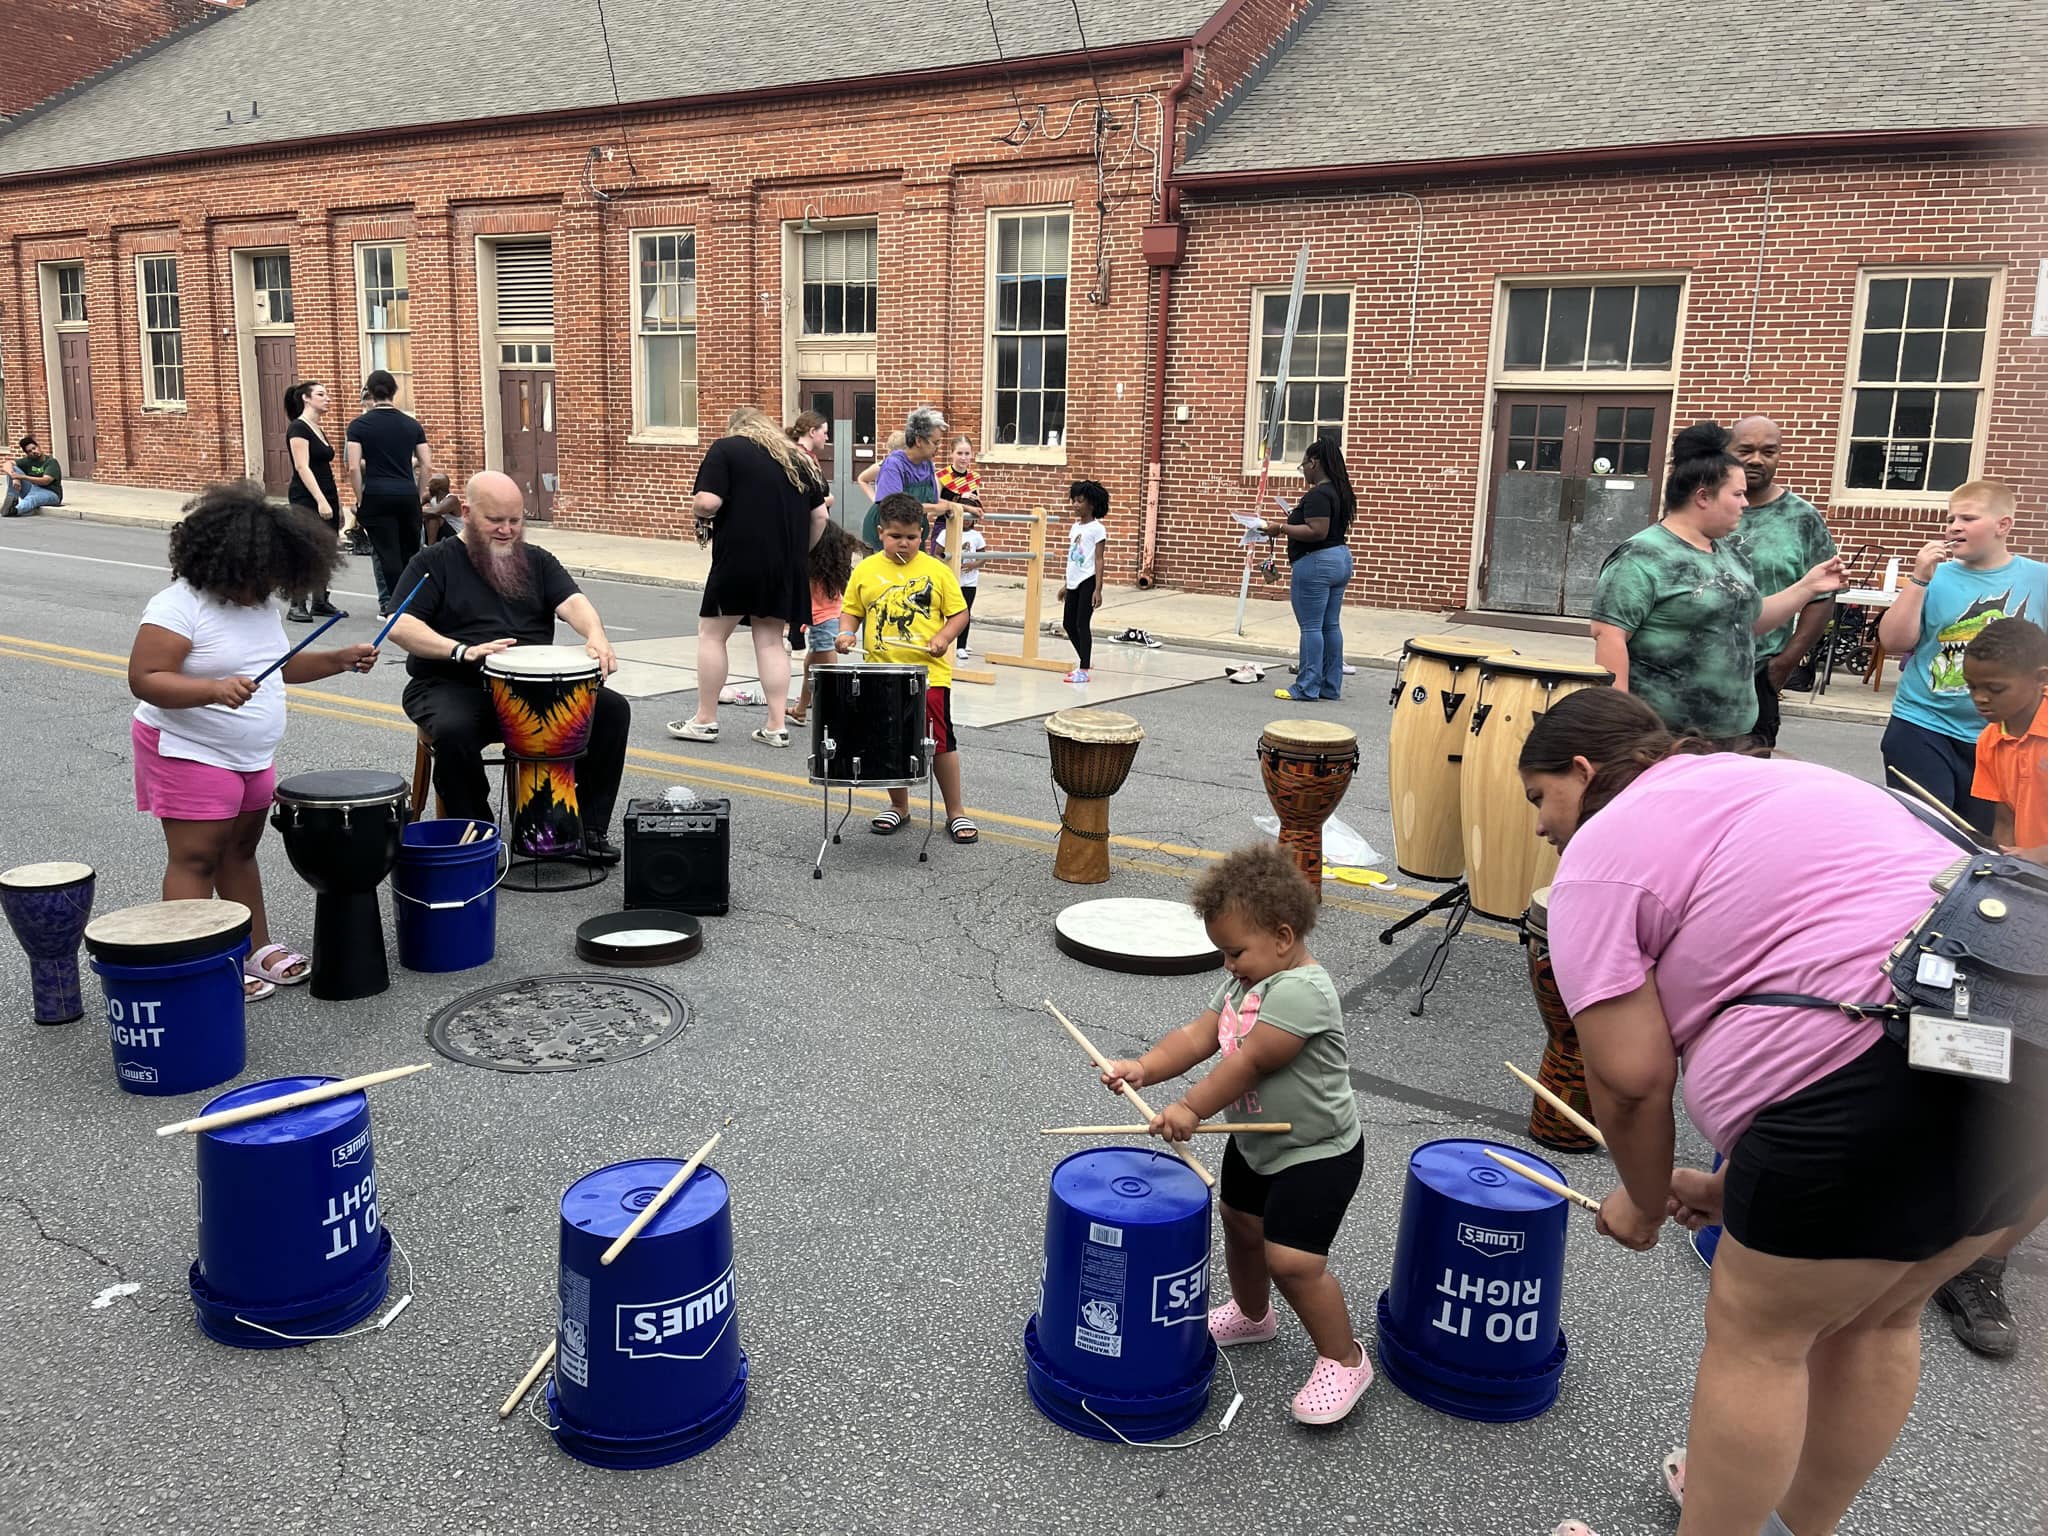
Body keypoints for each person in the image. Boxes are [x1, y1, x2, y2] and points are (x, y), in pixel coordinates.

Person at [1519, 687, 2045, 1536]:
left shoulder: (1603, 850)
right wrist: (1734, 1190)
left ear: (1584, 770)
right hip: (2022, 1053)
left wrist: (1643, 1203)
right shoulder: (1783, 779)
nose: (1543, 825)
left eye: (1540, 797)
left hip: (1869, 1071)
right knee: (1878, 1319)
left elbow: (1628, 1079)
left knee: (1762, 1340)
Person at [1099, 842, 1369, 1425]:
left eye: (1235, 951)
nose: (1228, 963)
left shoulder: (1303, 991)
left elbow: (1248, 1063)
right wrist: (1144, 1067)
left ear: (1282, 934)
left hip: (1315, 1150)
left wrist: (1191, 1109)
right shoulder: (1247, 982)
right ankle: (1253, 1315)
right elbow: (1200, 1035)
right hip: (1257, 1140)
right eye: (1222, 952)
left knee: (1293, 1261)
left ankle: (1344, 1359)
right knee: (1242, 1229)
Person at [125, 481, 379, 1001]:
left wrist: (335, 659)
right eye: (261, 576)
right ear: (228, 563)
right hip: (187, 749)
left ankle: (253, 947)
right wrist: (212, 689)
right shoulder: (178, 607)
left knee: (240, 851)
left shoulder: (259, 607)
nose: (269, 587)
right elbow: (146, 677)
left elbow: (276, 669)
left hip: (250, 754)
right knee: (197, 858)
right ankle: (201, 962)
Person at [388, 471, 628, 861]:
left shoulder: (537, 561)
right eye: (495, 520)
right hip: (452, 683)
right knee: (454, 731)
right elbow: (400, 624)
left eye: (515, 521)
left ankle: (582, 828)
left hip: (531, 690)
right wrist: (460, 650)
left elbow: (573, 603)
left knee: (612, 710)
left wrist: (596, 635)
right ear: (466, 513)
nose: (507, 530)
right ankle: (479, 839)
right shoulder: (433, 562)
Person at [1925, 616, 2048, 1359]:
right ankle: (1939, 1209)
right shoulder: (1992, 738)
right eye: (1972, 687)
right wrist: (1995, 860)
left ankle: (1984, 1263)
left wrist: (2022, 862)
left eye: (1993, 688)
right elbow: (2004, 825)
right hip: (2032, 906)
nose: (1979, 700)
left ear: (2041, 680)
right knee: (1963, 1042)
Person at [1590, 423, 1845, 743]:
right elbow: (1609, 636)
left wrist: (1807, 587)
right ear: (1703, 496)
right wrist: (1622, 729)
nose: (1745, 503)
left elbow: (1748, 620)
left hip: (1737, 735)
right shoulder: (1642, 555)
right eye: (1737, 494)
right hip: (1667, 738)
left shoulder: (1728, 553)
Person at [1876, 479, 2048, 835]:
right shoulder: (1935, 576)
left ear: (2004, 525)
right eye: (1951, 518)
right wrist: (1919, 579)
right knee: (1924, 836)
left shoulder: (2040, 579)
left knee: (1983, 842)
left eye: (1968, 518)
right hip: (1923, 724)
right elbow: (1892, 640)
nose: (1954, 526)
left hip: (2005, 738)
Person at [667, 407, 828, 749]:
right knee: (770, 641)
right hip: (786, 563)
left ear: (736, 428)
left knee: (711, 634)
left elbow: (708, 502)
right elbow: (820, 517)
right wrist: (801, 554)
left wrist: (697, 509)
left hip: (739, 558)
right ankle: (776, 725)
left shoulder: (726, 449)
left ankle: (705, 719)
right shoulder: (798, 461)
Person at [835, 493, 976, 844]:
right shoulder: (866, 570)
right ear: (880, 533)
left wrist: (944, 637)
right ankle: (899, 806)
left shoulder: (936, 571)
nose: (904, 544)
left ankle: (955, 811)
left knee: (940, 742)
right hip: (880, 673)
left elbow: (960, 613)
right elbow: (852, 608)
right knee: (890, 740)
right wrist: (845, 632)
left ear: (923, 535)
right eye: (896, 536)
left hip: (928, 675)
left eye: (912, 537)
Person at [1729, 415, 1837, 749]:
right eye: (1745, 450)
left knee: (1747, 783)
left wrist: (1787, 662)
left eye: (1768, 451)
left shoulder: (1803, 518)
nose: (1757, 460)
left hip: (1760, 670)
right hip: (1691, 669)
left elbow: (1824, 594)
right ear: (1726, 452)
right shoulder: (1703, 508)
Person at [1258, 437, 1356, 703]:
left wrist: (1281, 528)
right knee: (1330, 625)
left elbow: (1316, 531)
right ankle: (1330, 686)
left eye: (1304, 466)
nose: (1304, 472)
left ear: (1314, 462)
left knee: (1311, 627)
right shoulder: (1341, 491)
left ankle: (1306, 687)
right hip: (1340, 559)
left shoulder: (1318, 494)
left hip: (1316, 563)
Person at [345, 369, 433, 618]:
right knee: (410, 551)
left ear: (370, 393)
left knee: (387, 553)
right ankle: (415, 604)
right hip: (406, 493)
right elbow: (426, 463)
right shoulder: (411, 424)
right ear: (395, 391)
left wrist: (360, 498)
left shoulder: (359, 425)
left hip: (376, 493)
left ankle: (395, 606)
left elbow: (353, 466)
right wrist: (418, 493)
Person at [282, 382, 343, 624]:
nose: (327, 398)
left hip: (327, 492)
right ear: (306, 399)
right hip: (307, 497)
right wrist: (320, 500)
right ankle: (297, 603)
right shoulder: (298, 428)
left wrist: (331, 502)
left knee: (326, 547)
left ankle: (320, 599)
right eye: (321, 394)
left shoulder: (317, 428)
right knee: (306, 549)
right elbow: (301, 466)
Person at [790, 523, 854, 729]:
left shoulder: (813, 568)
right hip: (827, 621)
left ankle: (837, 715)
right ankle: (801, 709)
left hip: (823, 623)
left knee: (828, 672)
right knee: (810, 666)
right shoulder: (832, 567)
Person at [864, 408, 944, 549]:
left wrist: (962, 507)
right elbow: (895, 508)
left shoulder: (928, 465)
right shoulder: (894, 465)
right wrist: (937, 507)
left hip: (913, 534)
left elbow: (934, 502)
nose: (939, 447)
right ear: (919, 441)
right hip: (887, 537)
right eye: (935, 443)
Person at [1060, 480, 1108, 685]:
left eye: (1080, 501)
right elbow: (1072, 558)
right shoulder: (1075, 527)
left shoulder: (1097, 529)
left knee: (1082, 624)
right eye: (1074, 500)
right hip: (1074, 581)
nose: (1075, 505)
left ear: (1092, 504)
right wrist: (1066, 584)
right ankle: (1084, 659)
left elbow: (1098, 559)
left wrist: (1098, 588)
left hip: (1088, 581)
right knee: (1068, 624)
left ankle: (1084, 668)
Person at [935, 506, 985, 660]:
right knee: (946, 613)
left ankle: (961, 645)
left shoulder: (976, 536)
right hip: (951, 580)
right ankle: (946, 642)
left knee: (965, 612)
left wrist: (973, 565)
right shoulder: (946, 533)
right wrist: (946, 565)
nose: (967, 521)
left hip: (968, 582)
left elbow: (983, 557)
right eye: (965, 517)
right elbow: (937, 553)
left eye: (971, 518)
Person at [934, 433, 982, 552]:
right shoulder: (941, 476)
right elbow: (935, 504)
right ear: (951, 453)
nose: (963, 457)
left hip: (966, 530)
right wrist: (961, 498)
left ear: (972, 454)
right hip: (944, 526)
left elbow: (979, 506)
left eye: (967, 453)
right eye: (959, 453)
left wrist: (974, 502)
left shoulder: (974, 477)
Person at [0, 434, 63, 516]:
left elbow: (46, 481)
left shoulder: (51, 462)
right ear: (27, 454)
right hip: (32, 489)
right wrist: (15, 478)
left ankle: (14, 510)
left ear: (39, 447)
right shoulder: (28, 460)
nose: (33, 452)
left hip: (51, 493)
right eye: (29, 451)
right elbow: (6, 464)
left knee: (33, 498)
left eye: (34, 448)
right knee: (13, 468)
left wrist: (22, 477)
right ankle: (12, 499)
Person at [421, 473, 461, 546]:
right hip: (439, 533)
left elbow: (435, 512)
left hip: (454, 537)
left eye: (430, 483)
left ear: (437, 486)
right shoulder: (429, 496)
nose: (428, 486)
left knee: (433, 517)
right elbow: (415, 506)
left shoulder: (452, 500)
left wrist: (412, 510)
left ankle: (430, 549)